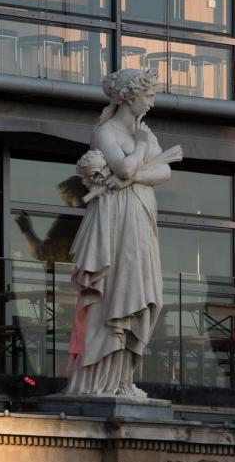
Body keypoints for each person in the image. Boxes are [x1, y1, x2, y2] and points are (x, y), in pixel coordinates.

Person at [64, 68, 182, 397]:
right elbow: (127, 167)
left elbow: (164, 172)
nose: (152, 101)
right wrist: (141, 152)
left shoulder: (143, 131)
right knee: (114, 292)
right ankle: (99, 379)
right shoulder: (106, 132)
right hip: (115, 221)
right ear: (130, 96)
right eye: (148, 94)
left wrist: (135, 170)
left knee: (143, 294)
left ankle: (123, 379)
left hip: (140, 216)